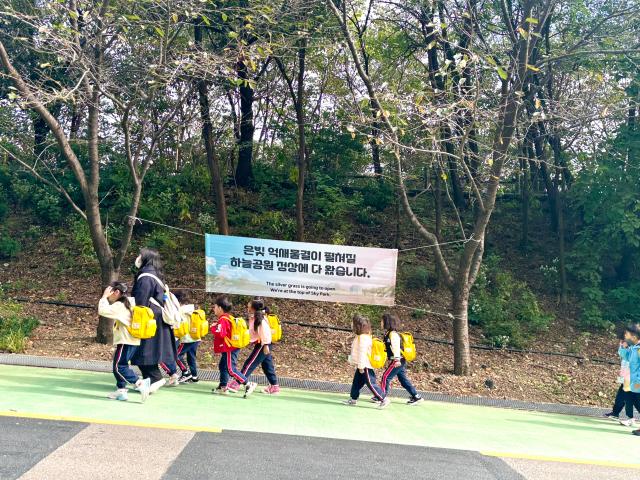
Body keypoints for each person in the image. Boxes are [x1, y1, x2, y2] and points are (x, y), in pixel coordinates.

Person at [130, 248, 178, 393]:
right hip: (156, 318)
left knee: (143, 352)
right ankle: (149, 381)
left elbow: (140, 300)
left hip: (149, 319)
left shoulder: (145, 276)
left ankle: (156, 380)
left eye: (140, 255)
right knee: (146, 353)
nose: (137, 257)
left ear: (146, 258)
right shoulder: (156, 275)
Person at [97, 282, 150, 402]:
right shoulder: (129, 303)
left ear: (116, 292)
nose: (107, 294)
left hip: (126, 341)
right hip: (132, 340)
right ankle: (121, 391)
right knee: (122, 365)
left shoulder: (120, 305)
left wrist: (104, 297)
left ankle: (140, 383)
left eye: (109, 291)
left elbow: (102, 311)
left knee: (119, 367)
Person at [231, 297, 279, 395]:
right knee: (267, 365)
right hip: (262, 343)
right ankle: (274, 386)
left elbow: (265, 332)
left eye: (249, 305)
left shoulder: (259, 318)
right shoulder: (254, 316)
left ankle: (237, 383)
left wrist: (265, 345)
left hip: (263, 344)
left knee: (249, 363)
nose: (247, 306)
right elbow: (253, 332)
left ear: (253, 308)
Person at [210, 295, 257, 397]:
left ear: (220, 308)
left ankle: (248, 384)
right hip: (231, 347)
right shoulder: (228, 317)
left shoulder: (223, 319)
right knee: (223, 366)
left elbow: (220, 333)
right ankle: (223, 386)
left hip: (229, 348)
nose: (214, 309)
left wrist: (213, 327)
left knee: (230, 369)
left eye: (215, 307)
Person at [343, 314, 390, 409]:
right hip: (362, 365)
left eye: (353, 323)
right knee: (356, 383)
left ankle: (383, 399)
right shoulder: (363, 336)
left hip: (365, 366)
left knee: (371, 384)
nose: (351, 325)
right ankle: (353, 399)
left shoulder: (363, 338)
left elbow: (362, 353)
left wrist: (361, 367)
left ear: (358, 326)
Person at [378, 313, 424, 406]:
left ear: (387, 322)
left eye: (382, 321)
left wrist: (397, 359)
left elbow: (396, 347)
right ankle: (416, 396)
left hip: (398, 360)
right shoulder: (388, 333)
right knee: (403, 380)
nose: (381, 322)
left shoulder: (393, 334)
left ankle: (381, 396)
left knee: (386, 377)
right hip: (398, 360)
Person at [603, 337, 634, 424]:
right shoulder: (630, 348)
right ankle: (616, 413)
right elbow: (623, 355)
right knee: (621, 396)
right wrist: (623, 346)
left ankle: (629, 418)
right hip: (627, 377)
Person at [174, 290, 201, 383]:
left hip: (187, 339)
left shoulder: (180, 310)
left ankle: (186, 373)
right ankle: (194, 376)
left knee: (175, 355)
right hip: (196, 337)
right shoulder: (194, 308)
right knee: (191, 357)